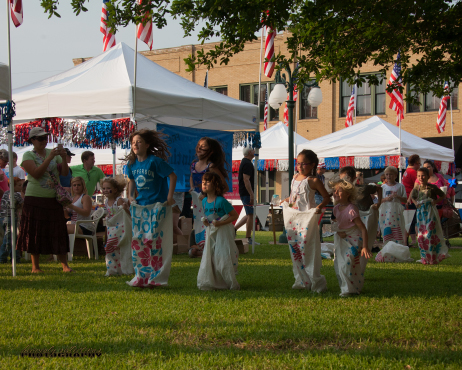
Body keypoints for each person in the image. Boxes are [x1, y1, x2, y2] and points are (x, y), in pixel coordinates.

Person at [16, 127, 72, 273]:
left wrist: (64, 158)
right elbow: (35, 173)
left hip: (53, 199)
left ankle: (65, 265)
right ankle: (36, 267)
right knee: (35, 231)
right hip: (34, 198)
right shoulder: (28, 155)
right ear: (32, 140)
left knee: (58, 230)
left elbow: (65, 173)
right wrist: (49, 158)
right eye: (40, 138)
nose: (44, 141)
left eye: (45, 138)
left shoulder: (52, 153)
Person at [126, 129, 176, 287]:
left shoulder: (155, 161)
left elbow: (172, 176)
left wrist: (169, 196)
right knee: (139, 241)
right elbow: (131, 181)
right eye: (133, 142)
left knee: (153, 240)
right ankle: (141, 276)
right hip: (141, 206)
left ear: (147, 145)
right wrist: (130, 195)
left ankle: (156, 277)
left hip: (157, 205)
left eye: (139, 142)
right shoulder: (131, 164)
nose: (135, 145)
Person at [283, 149, 329, 292]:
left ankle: (314, 279)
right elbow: (293, 197)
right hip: (293, 218)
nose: (300, 167)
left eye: (304, 164)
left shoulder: (313, 181)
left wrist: (318, 207)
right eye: (298, 163)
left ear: (312, 165)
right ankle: (301, 279)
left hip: (307, 220)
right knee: (294, 249)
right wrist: (286, 202)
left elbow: (326, 197)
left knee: (308, 249)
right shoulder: (294, 177)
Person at [197, 171, 240, 290]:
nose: (204, 183)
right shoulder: (204, 201)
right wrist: (206, 222)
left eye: (208, 181)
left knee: (222, 255)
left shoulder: (221, 201)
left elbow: (234, 215)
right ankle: (213, 280)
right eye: (203, 181)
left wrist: (221, 223)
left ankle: (228, 281)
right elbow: (208, 217)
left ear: (215, 185)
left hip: (222, 232)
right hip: (211, 231)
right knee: (210, 256)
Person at [331, 179, 371, 297]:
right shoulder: (336, 208)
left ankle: (350, 289)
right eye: (334, 191)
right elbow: (335, 225)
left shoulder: (351, 209)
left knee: (348, 263)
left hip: (353, 239)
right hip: (342, 239)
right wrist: (339, 232)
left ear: (348, 193)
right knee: (340, 263)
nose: (335, 193)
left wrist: (365, 246)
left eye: (339, 191)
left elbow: (363, 229)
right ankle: (348, 288)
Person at [189, 137, 229, 256]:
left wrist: (206, 194)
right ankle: (202, 247)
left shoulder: (211, 167)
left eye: (203, 146)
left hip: (211, 203)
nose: (199, 148)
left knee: (211, 224)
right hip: (198, 202)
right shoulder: (193, 165)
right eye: (198, 145)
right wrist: (192, 187)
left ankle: (213, 247)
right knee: (198, 223)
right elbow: (192, 176)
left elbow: (224, 187)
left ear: (210, 151)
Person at [339, 166, 382, 254]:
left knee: (363, 234)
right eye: (342, 179)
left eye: (346, 179)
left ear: (354, 178)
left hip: (366, 216)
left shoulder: (362, 188)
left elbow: (379, 188)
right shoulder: (342, 191)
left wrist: (379, 203)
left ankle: (365, 248)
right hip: (353, 217)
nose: (344, 181)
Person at [410, 167, 448, 265]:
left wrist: (435, 201)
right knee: (422, 235)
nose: (421, 178)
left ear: (427, 176)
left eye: (423, 175)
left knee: (430, 233)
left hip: (431, 212)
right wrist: (415, 203)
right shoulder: (416, 188)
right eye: (419, 176)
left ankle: (434, 256)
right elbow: (412, 197)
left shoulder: (432, 187)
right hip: (421, 213)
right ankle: (425, 257)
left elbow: (443, 195)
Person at [100, 177, 131, 276]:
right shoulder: (106, 202)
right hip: (111, 228)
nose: (105, 190)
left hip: (119, 229)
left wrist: (126, 208)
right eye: (103, 188)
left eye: (108, 188)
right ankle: (115, 269)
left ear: (115, 190)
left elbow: (127, 213)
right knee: (113, 250)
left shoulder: (118, 200)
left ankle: (117, 268)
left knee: (111, 247)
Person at [234, 147, 259, 245]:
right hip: (246, 193)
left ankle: (234, 229)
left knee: (251, 214)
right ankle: (248, 238)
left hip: (245, 193)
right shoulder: (247, 163)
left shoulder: (245, 162)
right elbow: (246, 180)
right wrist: (251, 194)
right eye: (253, 150)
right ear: (249, 152)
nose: (254, 151)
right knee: (251, 215)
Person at [379, 166, 407, 245]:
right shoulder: (383, 187)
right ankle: (387, 244)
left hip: (396, 212)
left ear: (395, 175)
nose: (388, 176)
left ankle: (397, 244)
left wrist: (397, 196)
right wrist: (386, 199)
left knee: (397, 228)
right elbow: (379, 201)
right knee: (387, 229)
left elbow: (405, 200)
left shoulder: (400, 186)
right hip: (385, 212)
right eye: (387, 174)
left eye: (390, 174)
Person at [0, 177, 24, 263]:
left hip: (2, 218)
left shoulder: (6, 193)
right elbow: (23, 205)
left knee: (11, 238)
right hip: (10, 218)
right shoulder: (16, 195)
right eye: (19, 185)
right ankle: (2, 258)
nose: (21, 187)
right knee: (9, 240)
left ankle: (16, 257)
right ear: (12, 185)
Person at [403, 154, 421, 244]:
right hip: (410, 199)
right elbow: (418, 185)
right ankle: (413, 240)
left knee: (409, 220)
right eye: (420, 164)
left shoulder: (406, 171)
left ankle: (410, 240)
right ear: (416, 163)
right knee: (412, 221)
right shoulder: (413, 172)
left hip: (406, 198)